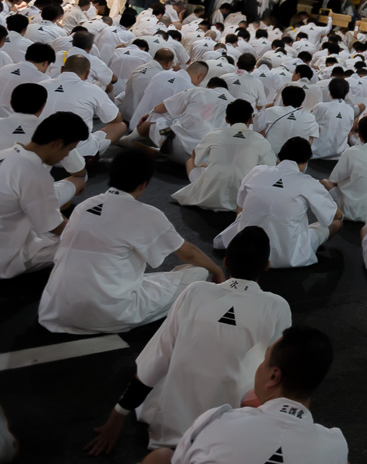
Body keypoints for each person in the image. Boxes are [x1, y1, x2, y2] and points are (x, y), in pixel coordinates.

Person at [84, 227, 291, 454]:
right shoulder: (277, 306)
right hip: (230, 434)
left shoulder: (196, 291)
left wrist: (117, 416)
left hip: (173, 426)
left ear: (225, 262)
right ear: (266, 266)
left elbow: (157, 359)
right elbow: (277, 375)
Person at [38, 150, 224, 334]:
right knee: (197, 272)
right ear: (143, 184)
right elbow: (188, 253)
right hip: (106, 313)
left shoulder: (84, 206)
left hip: (55, 309)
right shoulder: (147, 214)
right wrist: (217, 272)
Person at [142, 326, 348, 464]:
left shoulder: (217, 421)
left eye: (264, 361)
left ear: (274, 375)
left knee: (162, 456)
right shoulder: (336, 446)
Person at [213, 138, 343, 269]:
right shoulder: (308, 183)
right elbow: (335, 215)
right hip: (288, 256)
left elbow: (240, 204)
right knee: (337, 223)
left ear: (280, 155)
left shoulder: (257, 171)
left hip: (245, 246)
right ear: (305, 162)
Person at [0, 111, 89, 279]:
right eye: (69, 149)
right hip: (5, 257)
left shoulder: (6, 154)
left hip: (7, 228)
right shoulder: (35, 173)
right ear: (57, 144)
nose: (66, 156)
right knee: (82, 241)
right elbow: (55, 227)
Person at [171, 99, 275, 212]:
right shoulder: (259, 140)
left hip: (210, 193)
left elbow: (195, 157)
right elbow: (271, 167)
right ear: (251, 119)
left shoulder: (214, 134)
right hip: (242, 198)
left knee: (191, 161)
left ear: (226, 119)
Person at [319, 115, 367, 222]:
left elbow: (334, 180)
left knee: (325, 182)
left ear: (359, 134)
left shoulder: (351, 152)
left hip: (351, 213)